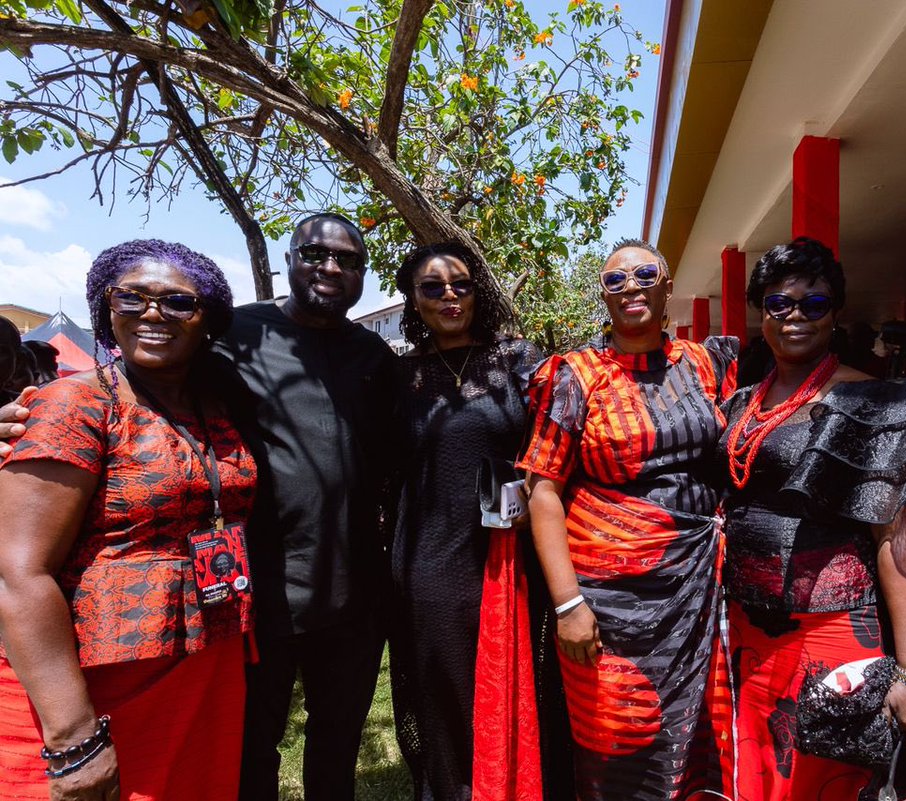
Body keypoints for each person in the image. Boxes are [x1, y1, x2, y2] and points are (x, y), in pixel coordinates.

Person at [0, 240, 255, 800]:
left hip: (201, 665)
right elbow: (17, 574)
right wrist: (74, 737)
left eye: (178, 302)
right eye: (132, 298)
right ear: (105, 310)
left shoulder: (211, 405)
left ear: (207, 319)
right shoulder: (74, 404)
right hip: (95, 688)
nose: (154, 313)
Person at [718, 237, 906, 800]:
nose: (795, 318)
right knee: (755, 775)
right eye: (780, 304)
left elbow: (898, 543)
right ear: (762, 312)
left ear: (836, 313)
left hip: (829, 635)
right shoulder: (741, 403)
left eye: (815, 304)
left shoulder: (874, 402)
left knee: (825, 781)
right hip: (743, 633)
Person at [519, 237, 738, 800]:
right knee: (617, 735)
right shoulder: (574, 375)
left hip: (698, 590)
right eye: (615, 281)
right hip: (609, 600)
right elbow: (542, 489)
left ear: (667, 285)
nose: (630, 288)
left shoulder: (704, 362)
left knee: (703, 737)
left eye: (643, 275)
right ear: (604, 297)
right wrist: (569, 605)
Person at [212, 212, 398, 801]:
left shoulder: (375, 357)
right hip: (258, 589)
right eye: (316, 255)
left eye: (348, 261)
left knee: (336, 745)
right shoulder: (235, 335)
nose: (331, 268)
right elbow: (152, 391)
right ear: (288, 260)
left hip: (354, 593)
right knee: (253, 747)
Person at [389, 241, 570, 801]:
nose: (449, 297)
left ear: (478, 291)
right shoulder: (398, 378)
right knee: (447, 691)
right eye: (432, 287)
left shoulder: (519, 361)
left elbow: (557, 451)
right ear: (412, 301)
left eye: (460, 285)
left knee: (524, 686)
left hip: (511, 558)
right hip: (432, 562)